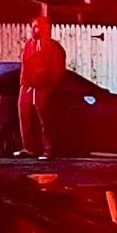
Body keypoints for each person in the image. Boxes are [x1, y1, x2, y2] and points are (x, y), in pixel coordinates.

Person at [19, 15, 67, 160]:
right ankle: (29, 147)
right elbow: (25, 65)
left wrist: (51, 86)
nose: (35, 30)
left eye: (38, 26)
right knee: (25, 116)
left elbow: (58, 69)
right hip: (28, 86)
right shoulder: (29, 45)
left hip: (44, 87)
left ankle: (48, 150)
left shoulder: (54, 47)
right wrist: (24, 84)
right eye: (33, 27)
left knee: (45, 119)